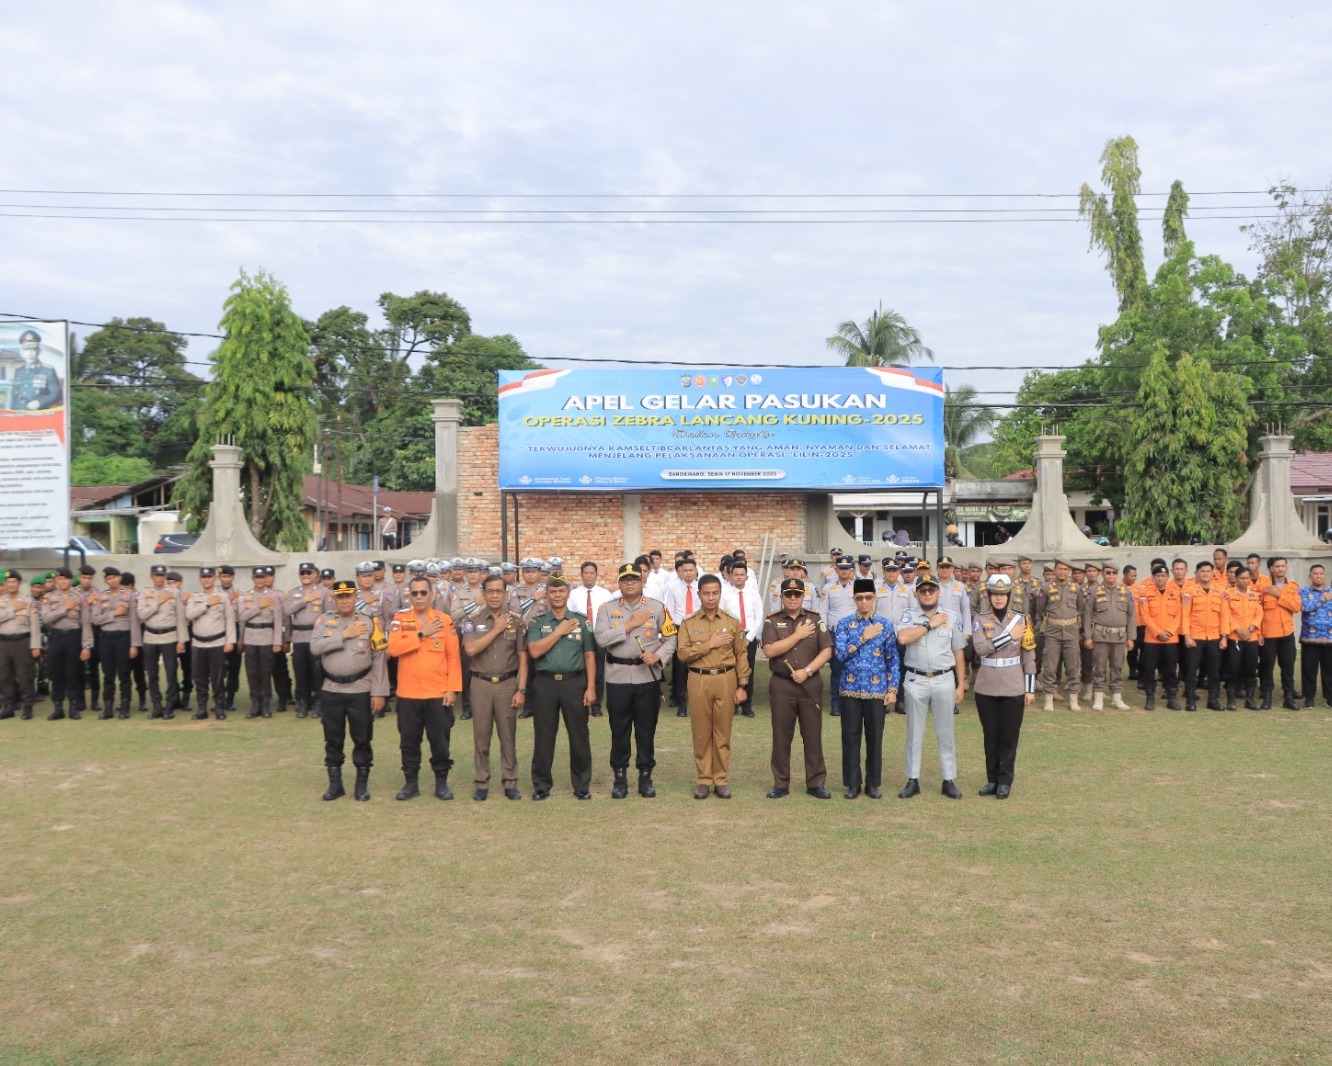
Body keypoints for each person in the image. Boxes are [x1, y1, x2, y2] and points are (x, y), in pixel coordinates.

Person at [594, 563, 676, 798]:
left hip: (646, 677)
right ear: (619, 583)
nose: (630, 583)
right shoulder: (606, 609)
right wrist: (629, 624)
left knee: (646, 729)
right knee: (619, 729)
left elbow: (671, 637)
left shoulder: (657, 607)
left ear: (642, 582)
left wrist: (658, 656)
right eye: (625, 579)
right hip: (617, 677)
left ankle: (645, 776)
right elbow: (601, 639)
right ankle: (620, 777)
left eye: (634, 579)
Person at [311, 580, 388, 801]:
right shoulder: (324, 621)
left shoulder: (370, 621)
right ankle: (335, 785)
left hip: (360, 689)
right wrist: (344, 634)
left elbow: (379, 658)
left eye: (348, 596)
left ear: (356, 597)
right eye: (340, 597)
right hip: (331, 689)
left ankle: (361, 785)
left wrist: (379, 692)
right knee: (332, 738)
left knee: (362, 738)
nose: (344, 601)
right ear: (334, 599)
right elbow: (315, 647)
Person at [387, 575, 462, 801]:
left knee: (440, 742)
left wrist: (452, 689)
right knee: (409, 742)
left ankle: (441, 783)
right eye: (414, 593)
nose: (419, 597)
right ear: (409, 595)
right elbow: (393, 649)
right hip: (408, 694)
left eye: (423, 592)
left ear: (432, 595)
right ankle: (411, 783)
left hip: (437, 693)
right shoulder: (400, 619)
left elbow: (453, 657)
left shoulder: (444, 621)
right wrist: (421, 634)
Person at [676, 574, 749, 799]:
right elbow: (682, 654)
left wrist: (742, 685)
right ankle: (703, 779)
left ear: (720, 593)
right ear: (699, 594)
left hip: (726, 679)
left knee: (722, 732)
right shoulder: (689, 623)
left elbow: (741, 654)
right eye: (706, 593)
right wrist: (709, 644)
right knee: (701, 733)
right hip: (699, 679)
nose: (711, 597)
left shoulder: (731, 621)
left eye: (715, 593)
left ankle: (721, 779)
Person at [895, 574, 968, 799]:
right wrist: (928, 625)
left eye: (931, 590)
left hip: (943, 679)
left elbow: (958, 652)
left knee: (946, 732)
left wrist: (961, 685)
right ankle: (912, 779)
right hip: (915, 679)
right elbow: (903, 638)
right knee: (914, 732)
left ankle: (949, 779)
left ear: (939, 592)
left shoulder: (951, 617)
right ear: (916, 593)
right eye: (923, 590)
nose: (927, 594)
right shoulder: (908, 616)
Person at [760, 577, 834, 799]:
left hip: (810, 683)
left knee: (812, 735)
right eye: (788, 594)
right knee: (781, 736)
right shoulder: (772, 621)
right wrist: (798, 635)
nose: (793, 598)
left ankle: (816, 782)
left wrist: (808, 671)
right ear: (782, 597)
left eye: (797, 594)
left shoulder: (815, 619)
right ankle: (781, 783)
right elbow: (770, 651)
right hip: (782, 685)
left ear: (804, 596)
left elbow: (827, 650)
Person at [526, 575, 597, 801]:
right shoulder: (538, 622)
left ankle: (582, 785)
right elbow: (534, 651)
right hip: (545, 684)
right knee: (544, 736)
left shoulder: (581, 621)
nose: (557, 595)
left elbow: (589, 655)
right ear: (546, 595)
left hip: (574, 683)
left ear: (568, 594)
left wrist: (591, 687)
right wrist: (559, 631)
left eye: (561, 591)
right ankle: (541, 785)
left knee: (579, 735)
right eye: (553, 592)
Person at [461, 574, 528, 801]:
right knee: (481, 735)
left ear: (506, 594)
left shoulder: (516, 621)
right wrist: (496, 630)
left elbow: (522, 657)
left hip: (507, 684)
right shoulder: (473, 620)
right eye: (490, 591)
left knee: (508, 736)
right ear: (483, 594)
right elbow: (470, 650)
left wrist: (521, 689)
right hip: (480, 684)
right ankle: (481, 783)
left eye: (499, 591)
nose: (495, 595)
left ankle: (510, 782)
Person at [833, 578, 900, 799]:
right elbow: (840, 655)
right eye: (860, 598)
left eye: (868, 597)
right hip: (850, 689)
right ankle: (853, 784)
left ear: (874, 598)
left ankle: (873, 784)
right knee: (850, 737)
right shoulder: (844, 624)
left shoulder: (885, 625)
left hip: (876, 689)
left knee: (875, 738)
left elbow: (892, 659)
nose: (864, 601)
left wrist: (892, 689)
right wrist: (863, 637)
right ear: (854, 599)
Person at [970, 575, 1037, 798]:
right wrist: (1008, 636)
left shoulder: (1021, 620)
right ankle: (992, 779)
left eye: (1003, 594)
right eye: (995, 594)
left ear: (1008, 596)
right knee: (990, 736)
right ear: (989, 596)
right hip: (987, 685)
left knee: (1009, 736)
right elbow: (981, 649)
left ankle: (1005, 781)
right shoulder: (980, 619)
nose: (999, 598)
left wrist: (1030, 689)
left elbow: (1029, 655)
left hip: (1013, 685)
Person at [38, 568, 93, 720]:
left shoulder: (79, 597)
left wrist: (86, 645)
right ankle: (58, 708)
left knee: (73, 672)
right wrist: (65, 608)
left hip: (74, 637)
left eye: (66, 579)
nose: (63, 582)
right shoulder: (48, 597)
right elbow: (46, 618)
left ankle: (73, 707)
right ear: (56, 581)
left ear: (70, 580)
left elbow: (86, 623)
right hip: (56, 637)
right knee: (56, 673)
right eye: (60, 579)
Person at [1083, 563, 1135, 710]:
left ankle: (1117, 698)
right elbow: (1087, 615)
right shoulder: (1094, 591)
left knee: (1118, 667)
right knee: (1099, 667)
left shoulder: (1126, 591)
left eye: (1114, 572)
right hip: (1100, 636)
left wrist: (1131, 637)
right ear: (1102, 574)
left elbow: (1132, 616)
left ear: (1117, 574)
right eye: (1108, 572)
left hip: (1119, 637)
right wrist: (1088, 636)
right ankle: (1098, 698)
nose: (1111, 575)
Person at [185, 566, 236, 719]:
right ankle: (202, 709)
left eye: (209, 577)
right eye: (204, 577)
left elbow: (230, 620)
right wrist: (207, 604)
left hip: (217, 643)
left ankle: (219, 708)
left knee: (217, 678)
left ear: (215, 578)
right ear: (200, 579)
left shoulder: (223, 597)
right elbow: (189, 615)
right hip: (198, 644)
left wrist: (230, 641)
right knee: (199, 678)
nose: (206, 580)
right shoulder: (194, 597)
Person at [137, 564, 187, 720]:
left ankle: (170, 705)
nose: (159, 578)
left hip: (169, 636)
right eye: (156, 575)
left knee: (171, 673)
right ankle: (157, 705)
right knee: (152, 674)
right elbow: (141, 615)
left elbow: (180, 618)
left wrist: (181, 640)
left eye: (161, 575)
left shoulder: (174, 593)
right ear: (151, 576)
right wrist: (157, 602)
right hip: (150, 637)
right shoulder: (145, 593)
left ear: (165, 576)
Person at [285, 563, 333, 718]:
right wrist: (304, 600)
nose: (305, 575)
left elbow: (330, 615)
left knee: (317, 671)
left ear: (315, 575)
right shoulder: (293, 593)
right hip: (299, 637)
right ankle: (303, 702)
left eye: (308, 573)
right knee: (300, 671)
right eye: (302, 573)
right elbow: (287, 611)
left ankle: (319, 702)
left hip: (317, 637)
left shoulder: (324, 592)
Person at [1137, 563, 1186, 710]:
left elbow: (1179, 615)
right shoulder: (1145, 594)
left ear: (1168, 577)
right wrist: (1158, 632)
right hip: (1152, 639)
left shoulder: (1176, 593)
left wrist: (1169, 631)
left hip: (1171, 639)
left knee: (1170, 670)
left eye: (1163, 576)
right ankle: (1150, 698)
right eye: (1158, 575)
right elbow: (1145, 615)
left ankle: (1172, 698)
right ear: (1153, 577)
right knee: (1149, 669)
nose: (1160, 578)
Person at [568, 561, 613, 718]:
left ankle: (596, 704)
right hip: (580, 637)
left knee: (598, 672)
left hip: (599, 636)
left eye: (591, 573)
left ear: (596, 575)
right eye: (586, 573)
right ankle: (581, 701)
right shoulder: (573, 594)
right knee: (581, 671)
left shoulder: (605, 594)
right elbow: (569, 616)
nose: (589, 576)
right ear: (581, 575)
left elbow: (610, 616)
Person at [238, 566, 285, 719]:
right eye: (257, 577)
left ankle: (265, 704)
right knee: (252, 672)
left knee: (265, 672)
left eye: (262, 577)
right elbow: (242, 617)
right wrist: (259, 606)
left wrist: (277, 642)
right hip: (250, 638)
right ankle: (255, 704)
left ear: (266, 579)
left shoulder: (274, 597)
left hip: (266, 638)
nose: (259, 580)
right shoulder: (245, 596)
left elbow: (278, 621)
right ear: (253, 579)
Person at [1256, 557, 1302, 710]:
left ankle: (1288, 697)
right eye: (1277, 566)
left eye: (1283, 566)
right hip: (1269, 634)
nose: (1280, 569)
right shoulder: (1263, 587)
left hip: (1287, 633)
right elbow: (1257, 611)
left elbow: (1296, 607)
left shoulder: (1293, 586)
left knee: (1288, 666)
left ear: (1286, 567)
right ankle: (1267, 696)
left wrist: (1280, 595)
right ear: (1271, 569)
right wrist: (1258, 633)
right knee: (1267, 666)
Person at [719, 560, 763, 718]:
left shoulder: (753, 593)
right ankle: (733, 704)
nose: (738, 577)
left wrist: (749, 638)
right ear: (730, 576)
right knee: (731, 670)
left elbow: (759, 617)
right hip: (731, 637)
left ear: (746, 576)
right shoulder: (724, 594)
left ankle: (747, 705)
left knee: (748, 669)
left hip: (748, 635)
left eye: (741, 574)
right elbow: (721, 616)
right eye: (735, 574)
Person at [1038, 560, 1084, 711]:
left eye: (1065, 569)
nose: (1062, 572)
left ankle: (1073, 699)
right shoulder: (1046, 587)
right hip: (1053, 631)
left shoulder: (1076, 588)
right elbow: (1040, 609)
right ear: (1055, 570)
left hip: (1071, 631)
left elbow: (1081, 608)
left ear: (1069, 571)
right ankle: (1048, 698)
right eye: (1059, 569)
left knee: (1073, 665)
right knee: (1050, 666)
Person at [1182, 562, 1225, 711]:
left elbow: (1224, 615)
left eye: (1208, 571)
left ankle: (1213, 700)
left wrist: (1224, 636)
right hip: (1195, 636)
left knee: (1214, 670)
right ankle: (1190, 701)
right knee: (1191, 669)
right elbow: (1185, 615)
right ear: (1197, 573)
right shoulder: (1189, 591)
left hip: (1214, 637)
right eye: (1202, 571)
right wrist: (1187, 635)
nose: (1205, 574)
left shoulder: (1220, 591)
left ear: (1213, 573)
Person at [0, 570, 42, 719]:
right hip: (3, 643)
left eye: (14, 582)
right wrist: (13, 610)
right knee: (4, 676)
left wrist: (35, 646)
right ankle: (8, 706)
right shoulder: (1, 600)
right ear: (5, 584)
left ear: (19, 583)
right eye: (8, 582)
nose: (11, 585)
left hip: (22, 642)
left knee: (25, 675)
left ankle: (28, 706)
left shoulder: (28, 601)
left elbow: (35, 625)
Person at [662, 556, 700, 717]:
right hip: (680, 626)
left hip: (698, 627)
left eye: (691, 570)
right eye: (685, 570)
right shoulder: (673, 587)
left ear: (696, 571)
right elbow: (669, 610)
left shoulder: (701, 586)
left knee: (698, 664)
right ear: (680, 572)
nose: (688, 573)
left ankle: (699, 702)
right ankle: (681, 703)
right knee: (680, 667)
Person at [1221, 566, 1263, 710]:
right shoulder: (1228, 594)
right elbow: (1226, 614)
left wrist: (1251, 628)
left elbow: (1259, 614)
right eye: (1241, 578)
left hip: (1251, 637)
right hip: (1235, 637)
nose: (1244, 581)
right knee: (1233, 668)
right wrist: (1238, 629)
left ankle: (1250, 699)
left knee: (1251, 668)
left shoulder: (1255, 594)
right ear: (1236, 578)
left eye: (1247, 578)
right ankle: (1231, 700)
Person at [1298, 564, 1332, 709]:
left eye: (1321, 574)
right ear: (1310, 576)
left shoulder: (1331, 591)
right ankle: (1309, 698)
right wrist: (1323, 599)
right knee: (1309, 669)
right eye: (1315, 574)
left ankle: (1329, 698)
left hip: (1329, 638)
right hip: (1309, 637)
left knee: (1329, 670)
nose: (1318, 576)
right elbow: (1305, 607)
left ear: (1325, 575)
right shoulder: (1303, 591)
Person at [10, 329, 62, 410]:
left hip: (38, 414)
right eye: (26, 349)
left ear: (38, 351)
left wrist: (39, 402)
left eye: (33, 349)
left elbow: (57, 394)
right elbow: (14, 397)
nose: (30, 353)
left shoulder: (48, 370)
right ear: (21, 352)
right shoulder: (18, 371)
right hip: (19, 415)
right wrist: (11, 414)